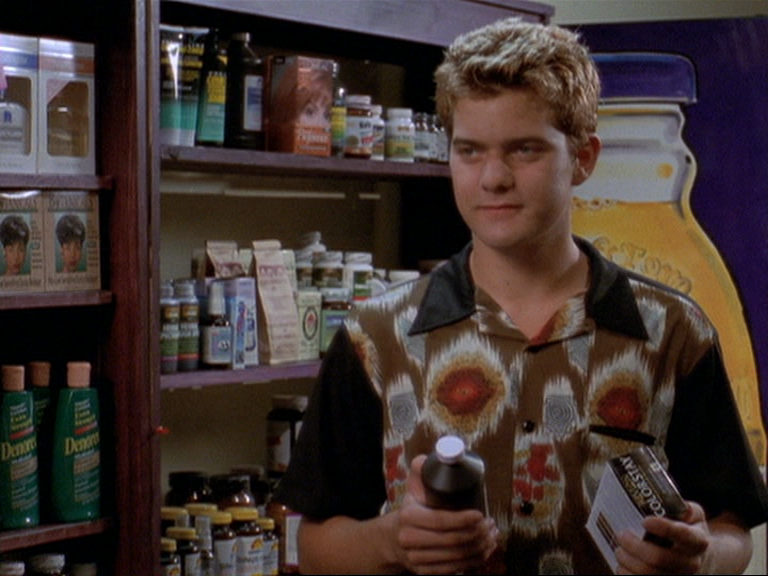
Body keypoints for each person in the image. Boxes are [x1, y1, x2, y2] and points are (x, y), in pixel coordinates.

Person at [273, 17, 768, 575]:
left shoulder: (675, 332)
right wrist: (390, 542)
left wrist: (702, 558)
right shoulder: (374, 337)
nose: (493, 178)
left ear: (583, 158)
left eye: (524, 150)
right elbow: (313, 547)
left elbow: (732, 531)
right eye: (469, 151)